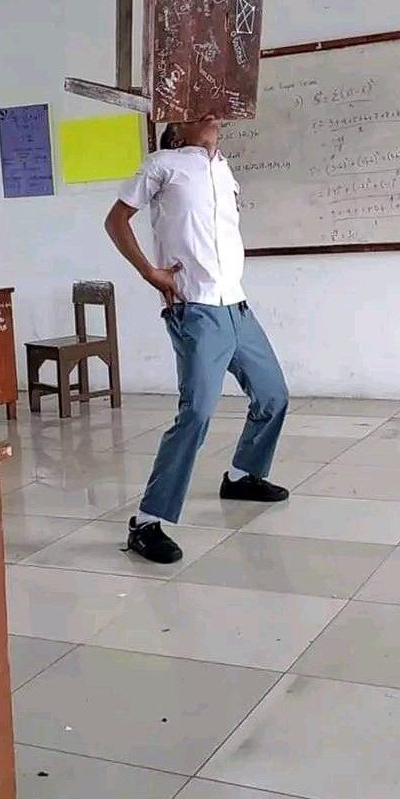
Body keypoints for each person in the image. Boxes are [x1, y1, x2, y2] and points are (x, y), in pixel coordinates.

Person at [104, 114, 289, 564]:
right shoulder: (162, 164)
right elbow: (116, 221)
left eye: (214, 112)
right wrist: (150, 271)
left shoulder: (223, 169)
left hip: (237, 307)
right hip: (197, 311)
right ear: (176, 131)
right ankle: (147, 522)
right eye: (197, 113)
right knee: (197, 413)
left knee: (273, 396)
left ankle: (243, 475)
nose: (211, 117)